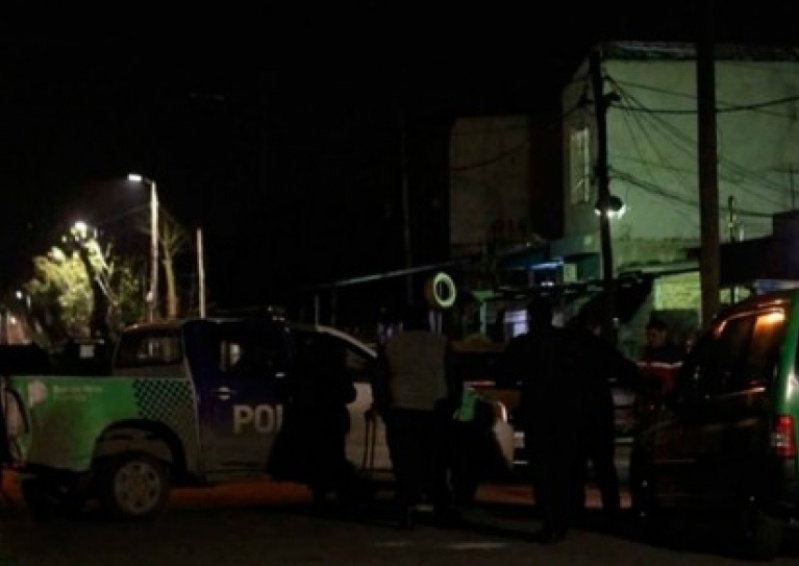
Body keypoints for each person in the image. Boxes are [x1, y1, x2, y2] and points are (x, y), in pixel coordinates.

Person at [496, 296, 582, 544]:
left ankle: (549, 521)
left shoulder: (525, 344)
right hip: (564, 413)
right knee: (562, 469)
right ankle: (562, 520)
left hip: (538, 413)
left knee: (542, 470)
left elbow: (504, 374)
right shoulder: (565, 342)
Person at [373, 302, 462, 528]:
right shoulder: (441, 343)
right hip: (435, 409)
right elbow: (454, 377)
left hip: (402, 409)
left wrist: (383, 408)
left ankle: (405, 508)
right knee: (437, 462)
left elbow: (380, 378)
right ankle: (440, 508)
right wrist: (452, 405)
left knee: (404, 463)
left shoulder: (393, 344)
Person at [569, 309, 643, 531]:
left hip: (573, 413)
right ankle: (611, 512)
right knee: (604, 466)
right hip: (597, 414)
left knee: (576, 467)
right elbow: (624, 370)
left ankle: (575, 511)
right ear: (596, 327)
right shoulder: (598, 347)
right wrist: (645, 387)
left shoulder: (568, 347)